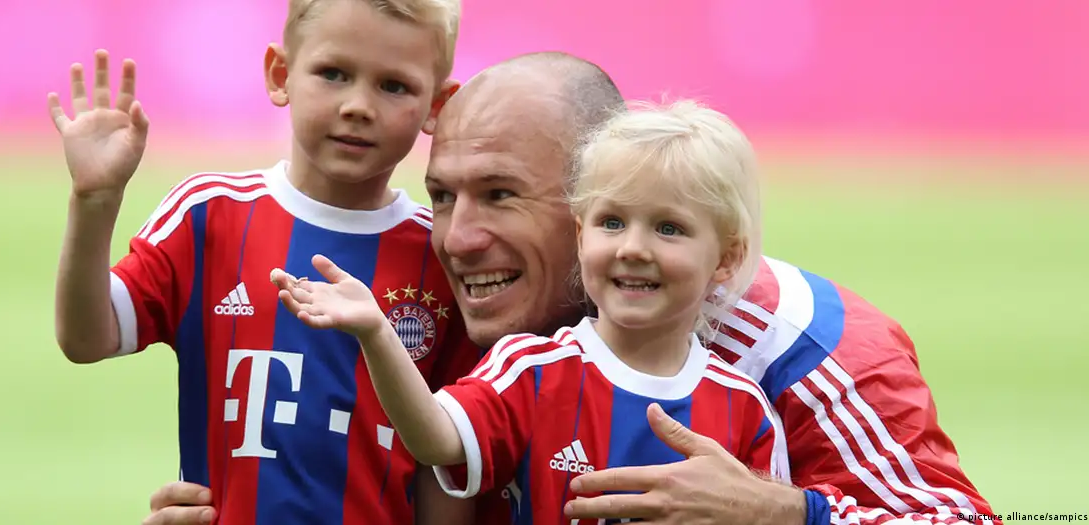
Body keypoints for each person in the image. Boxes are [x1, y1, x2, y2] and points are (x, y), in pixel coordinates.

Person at [146, 52, 999, 525]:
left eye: (501, 195)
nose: (457, 238)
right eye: (442, 196)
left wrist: (782, 514)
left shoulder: (802, 350)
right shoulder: (442, 318)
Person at [49, 0, 481, 523]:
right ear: (281, 74)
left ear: (437, 105)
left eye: (393, 86)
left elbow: (456, 461)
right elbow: (86, 338)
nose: (358, 106)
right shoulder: (209, 215)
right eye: (333, 73)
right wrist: (94, 202)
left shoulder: (442, 252)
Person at [268, 99, 794, 523]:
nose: (633, 248)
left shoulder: (746, 406)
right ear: (581, 236)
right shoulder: (531, 368)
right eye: (612, 222)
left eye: (669, 228)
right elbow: (435, 438)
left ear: (726, 258)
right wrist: (377, 333)